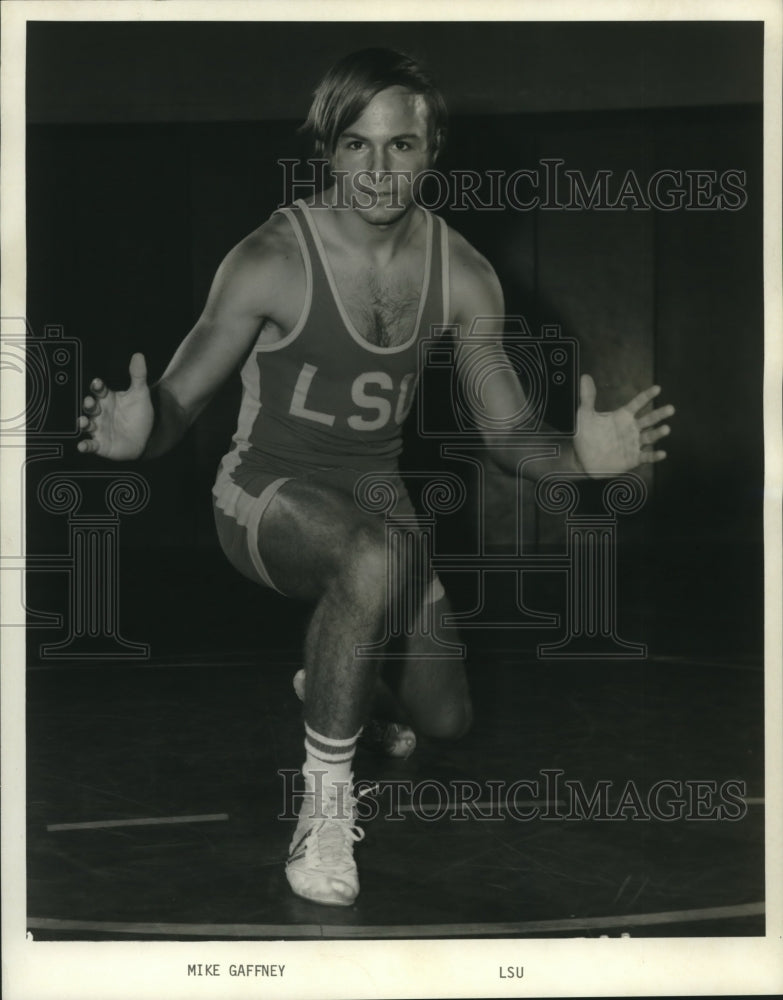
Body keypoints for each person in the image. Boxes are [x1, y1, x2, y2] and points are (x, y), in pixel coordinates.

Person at [77, 48, 674, 908]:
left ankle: (340, 679)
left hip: (378, 501)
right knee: (372, 560)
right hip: (264, 493)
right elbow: (174, 402)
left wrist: (579, 459)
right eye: (356, 146)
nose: (378, 169)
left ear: (431, 149)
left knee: (444, 719)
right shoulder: (270, 259)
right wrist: (144, 431)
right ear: (328, 149)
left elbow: (505, 429)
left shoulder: (464, 275)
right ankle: (322, 813)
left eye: (399, 146)